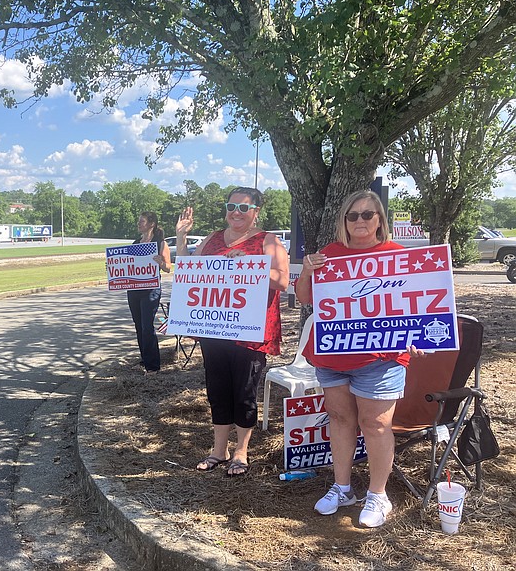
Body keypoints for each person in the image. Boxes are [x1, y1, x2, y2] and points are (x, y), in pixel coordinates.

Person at [295, 190, 424, 528]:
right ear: (344, 221)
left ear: (380, 219)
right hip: (332, 355)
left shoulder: (398, 256)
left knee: (376, 425)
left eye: (368, 214)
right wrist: (307, 271)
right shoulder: (329, 256)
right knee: (339, 420)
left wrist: (419, 334)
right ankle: (342, 488)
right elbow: (305, 297)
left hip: (381, 358)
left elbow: (419, 302)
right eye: (353, 216)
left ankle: (378, 495)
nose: (360, 221)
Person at [176, 188, 289, 476]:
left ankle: (241, 451)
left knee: (244, 392)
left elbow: (283, 282)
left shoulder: (268, 241)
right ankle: (219, 449)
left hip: (249, 331)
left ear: (256, 212)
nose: (236, 212)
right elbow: (187, 270)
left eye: (243, 207)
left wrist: (252, 266)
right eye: (231, 206)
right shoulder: (213, 239)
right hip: (215, 327)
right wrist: (181, 237)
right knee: (217, 390)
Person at [127, 212, 172, 373]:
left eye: (142, 221)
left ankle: (153, 366)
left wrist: (161, 262)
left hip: (150, 290)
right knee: (139, 326)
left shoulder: (160, 243)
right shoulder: (135, 243)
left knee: (147, 327)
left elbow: (168, 268)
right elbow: (128, 265)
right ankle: (144, 360)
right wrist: (114, 268)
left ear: (151, 224)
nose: (139, 224)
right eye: (138, 221)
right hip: (133, 290)